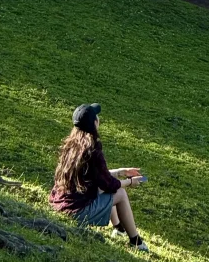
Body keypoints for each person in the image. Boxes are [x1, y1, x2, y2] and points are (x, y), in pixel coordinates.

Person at [49, 103, 150, 253]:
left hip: (60, 204)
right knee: (120, 193)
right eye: (96, 116)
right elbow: (108, 184)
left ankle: (119, 229)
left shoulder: (71, 146)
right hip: (76, 211)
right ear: (94, 123)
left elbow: (97, 176)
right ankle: (136, 242)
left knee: (105, 190)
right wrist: (129, 182)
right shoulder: (93, 149)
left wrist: (121, 171)